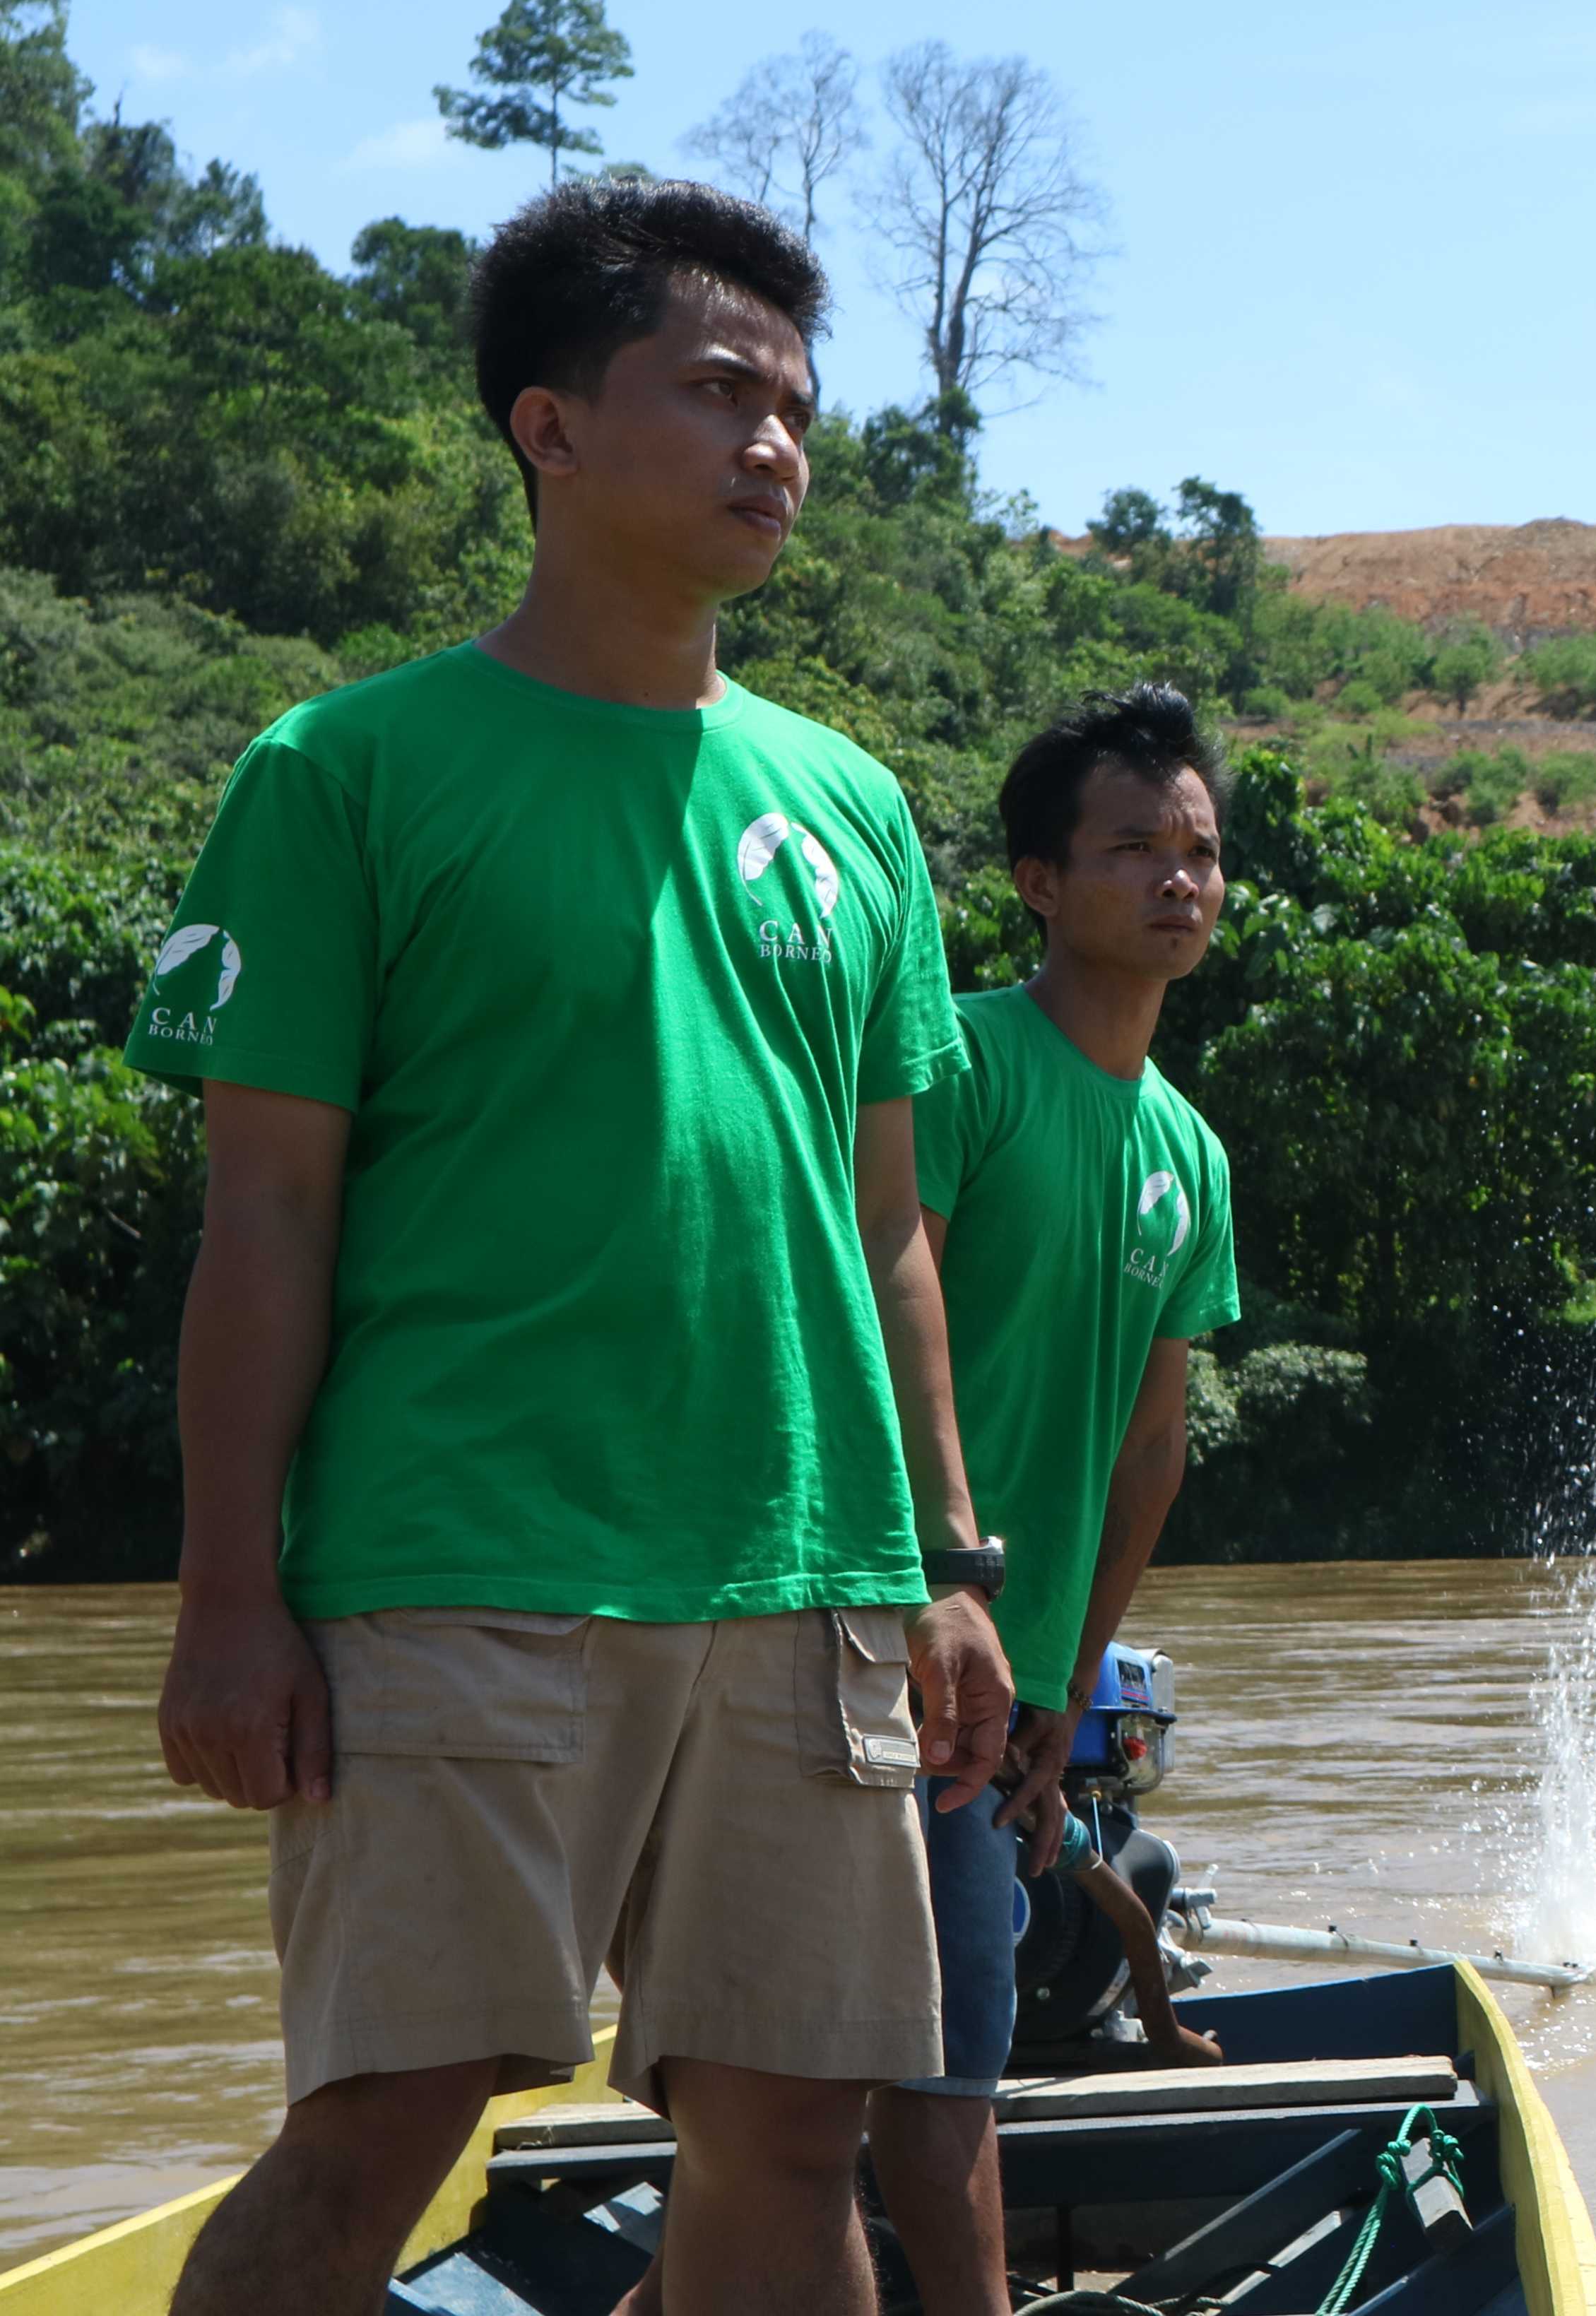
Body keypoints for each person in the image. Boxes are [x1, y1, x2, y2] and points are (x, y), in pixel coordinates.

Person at [137, 178, 1012, 2316]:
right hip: (462, 1556)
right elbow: (266, 1213)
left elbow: (889, 1230)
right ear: (549, 426)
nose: (773, 444)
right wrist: (229, 1597)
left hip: (803, 1569)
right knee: (383, 2121)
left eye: (795, 407)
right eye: (717, 391)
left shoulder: (851, 804)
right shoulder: (344, 771)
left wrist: (948, 1564)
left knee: (792, 2131)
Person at [870, 685, 1245, 2315]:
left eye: (1200, 851)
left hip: (1006, 1672)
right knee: (928, 2063)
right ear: (1038, 879)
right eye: (1134, 847)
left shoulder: (1190, 1155)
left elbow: (1148, 1453)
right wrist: (924, 1587)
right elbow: (875, 1317)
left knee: (870, 2076)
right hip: (870, 1625)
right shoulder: (956, 1063)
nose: (1179, 879)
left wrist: (1067, 1686)